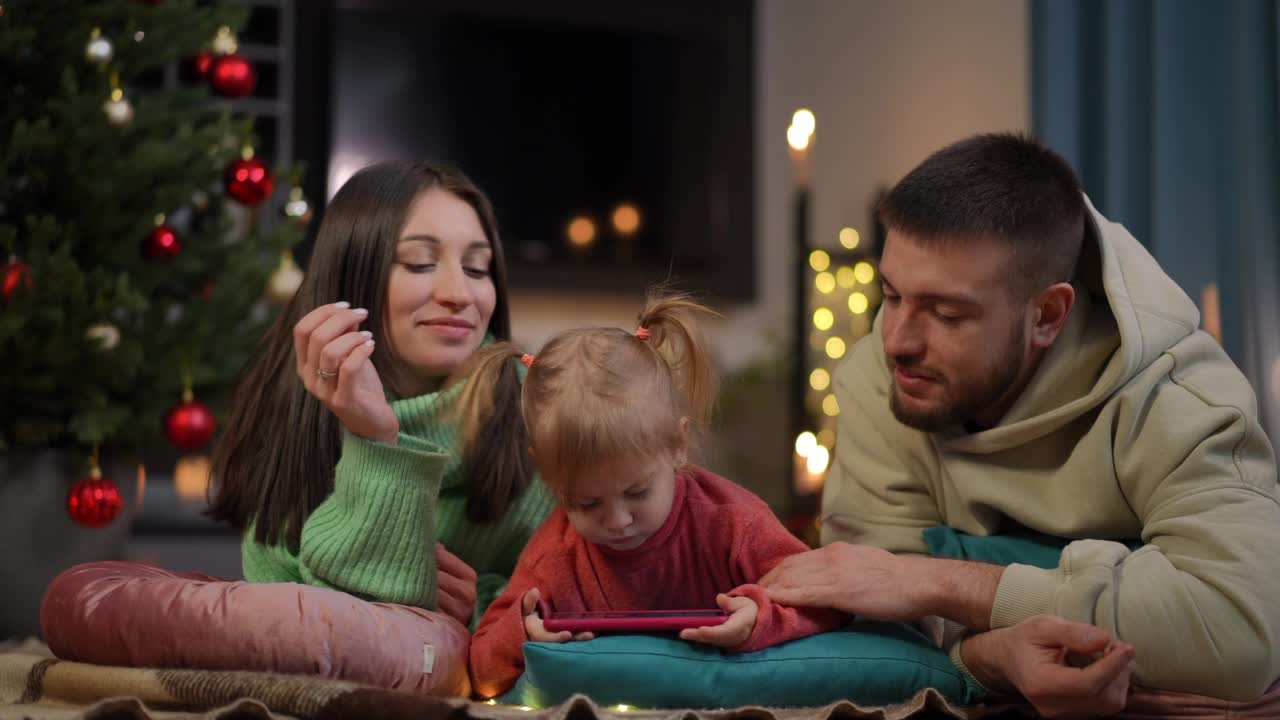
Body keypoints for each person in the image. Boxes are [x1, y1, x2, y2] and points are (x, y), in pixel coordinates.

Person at [760, 133, 1280, 717]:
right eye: (891, 295)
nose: (898, 341)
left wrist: (942, 583)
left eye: (947, 313)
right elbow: (877, 634)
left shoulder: (1179, 395)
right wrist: (998, 656)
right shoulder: (878, 384)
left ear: (1047, 315)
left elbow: (1240, 634)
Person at [209, 161, 556, 630]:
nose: (460, 293)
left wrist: (482, 612)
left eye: (478, 268)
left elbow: (581, 597)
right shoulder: (292, 411)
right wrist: (375, 436)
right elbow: (293, 623)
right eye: (419, 262)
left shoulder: (541, 411)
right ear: (352, 275)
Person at [466, 292, 845, 699]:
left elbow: (830, 600)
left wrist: (761, 617)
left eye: (637, 492)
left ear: (678, 444)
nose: (617, 521)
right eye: (586, 503)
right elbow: (482, 669)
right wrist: (524, 631)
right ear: (546, 473)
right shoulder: (554, 557)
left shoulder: (733, 522)